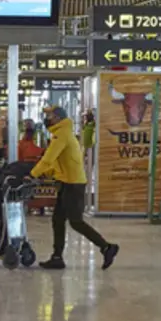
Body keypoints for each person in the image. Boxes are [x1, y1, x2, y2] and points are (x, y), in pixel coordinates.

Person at [30, 106, 119, 270]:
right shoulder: (61, 133)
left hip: (73, 184)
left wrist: (32, 174)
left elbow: (49, 158)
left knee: (76, 221)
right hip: (66, 182)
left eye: (49, 115)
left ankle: (107, 247)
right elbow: (57, 162)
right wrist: (45, 174)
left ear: (57, 118)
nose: (47, 118)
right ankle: (57, 257)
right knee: (58, 220)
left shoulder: (62, 134)